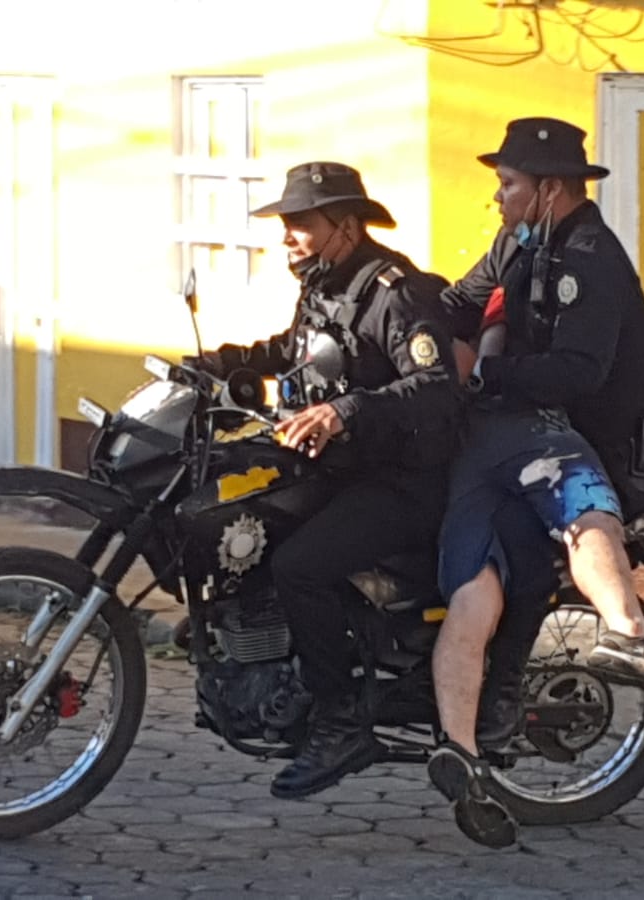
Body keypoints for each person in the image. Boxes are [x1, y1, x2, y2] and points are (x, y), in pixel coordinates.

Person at [425, 118, 644, 846]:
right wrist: (406, 313)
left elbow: (579, 371)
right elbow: (459, 303)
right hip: (520, 433)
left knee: (569, 512)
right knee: (482, 578)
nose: (499, 198)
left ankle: (627, 638)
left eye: (509, 185)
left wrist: (486, 372)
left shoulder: (592, 259)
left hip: (597, 447)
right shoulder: (519, 242)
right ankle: (463, 749)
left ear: (549, 189)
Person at [204, 161, 463, 800]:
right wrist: (224, 363)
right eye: (286, 225)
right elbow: (297, 350)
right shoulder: (325, 286)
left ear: (345, 225)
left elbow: (435, 387)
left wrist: (344, 412)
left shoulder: (396, 293)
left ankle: (342, 721)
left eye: (300, 224)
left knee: (301, 567)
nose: (288, 237)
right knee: (251, 528)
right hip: (343, 470)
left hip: (405, 480)